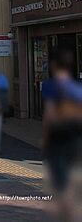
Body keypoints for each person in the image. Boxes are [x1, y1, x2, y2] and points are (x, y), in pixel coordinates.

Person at [41, 50, 82, 221]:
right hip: (77, 139)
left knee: (60, 183)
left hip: (59, 138)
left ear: (54, 65)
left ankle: (68, 216)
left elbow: (50, 114)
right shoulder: (77, 86)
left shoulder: (52, 85)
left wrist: (45, 137)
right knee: (73, 179)